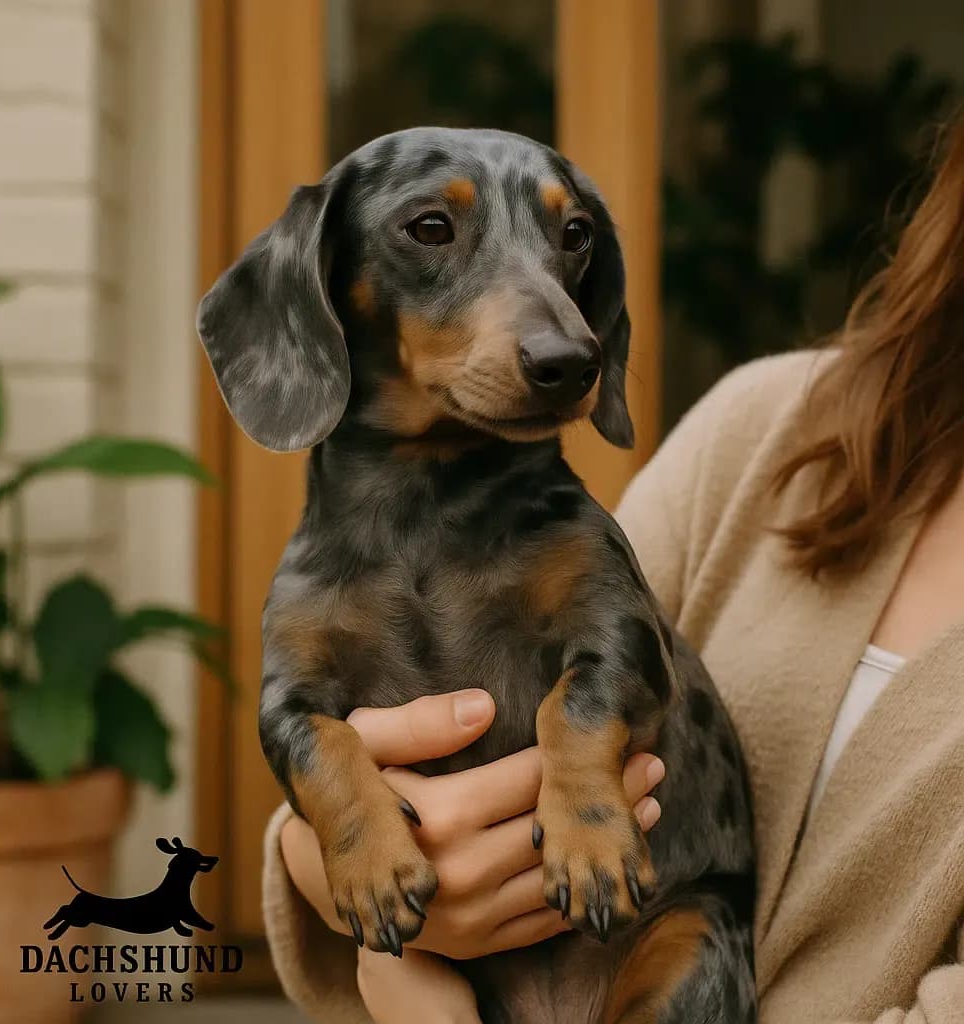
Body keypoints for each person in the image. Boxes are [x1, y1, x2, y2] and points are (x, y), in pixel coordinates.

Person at [263, 113, 964, 1023]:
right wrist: (335, 860)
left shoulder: (560, 533)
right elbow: (314, 755)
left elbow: (619, 662)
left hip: (662, 955)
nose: (561, 340)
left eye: (568, 242)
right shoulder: (765, 436)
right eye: (432, 232)